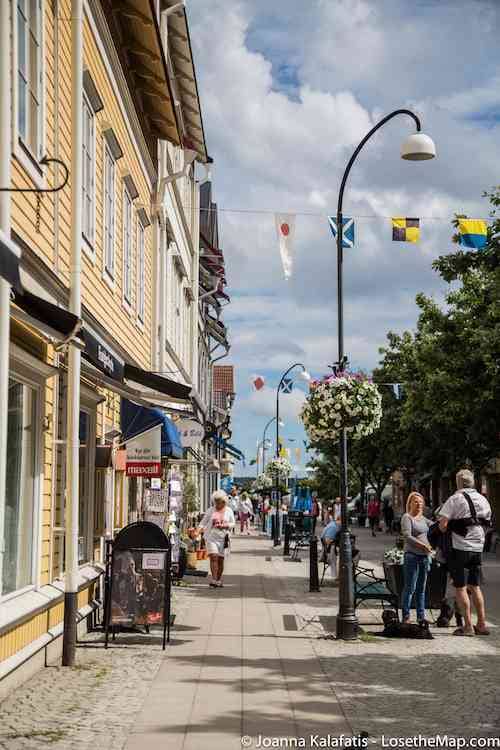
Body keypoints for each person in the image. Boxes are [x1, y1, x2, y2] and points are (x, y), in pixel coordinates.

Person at [438, 469, 492, 636]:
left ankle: (468, 626)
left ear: (458, 482)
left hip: (459, 548)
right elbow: (488, 522)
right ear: (473, 482)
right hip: (477, 547)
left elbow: (443, 524)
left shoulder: (455, 499)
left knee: (460, 587)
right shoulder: (483, 499)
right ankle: (482, 624)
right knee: (475, 586)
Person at [401, 492, 433, 624]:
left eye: (420, 502)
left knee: (421, 588)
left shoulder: (424, 519)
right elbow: (407, 536)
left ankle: (421, 617)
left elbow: (436, 528)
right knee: (410, 588)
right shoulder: (407, 517)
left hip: (424, 557)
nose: (419, 504)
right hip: (412, 556)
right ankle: (406, 616)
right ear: (410, 503)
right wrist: (423, 545)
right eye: (415, 502)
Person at [198, 490, 235, 588]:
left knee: (221, 560)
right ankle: (214, 580)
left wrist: (225, 525)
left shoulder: (229, 510)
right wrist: (198, 530)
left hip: (223, 538)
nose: (218, 504)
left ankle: (218, 579)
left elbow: (233, 523)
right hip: (211, 537)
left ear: (224, 502)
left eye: (220, 502)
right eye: (216, 502)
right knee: (214, 557)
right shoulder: (211, 510)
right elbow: (203, 522)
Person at [321, 512, 339, 581]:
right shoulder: (333, 527)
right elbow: (327, 540)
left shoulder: (333, 525)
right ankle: (337, 576)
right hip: (328, 553)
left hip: (329, 550)